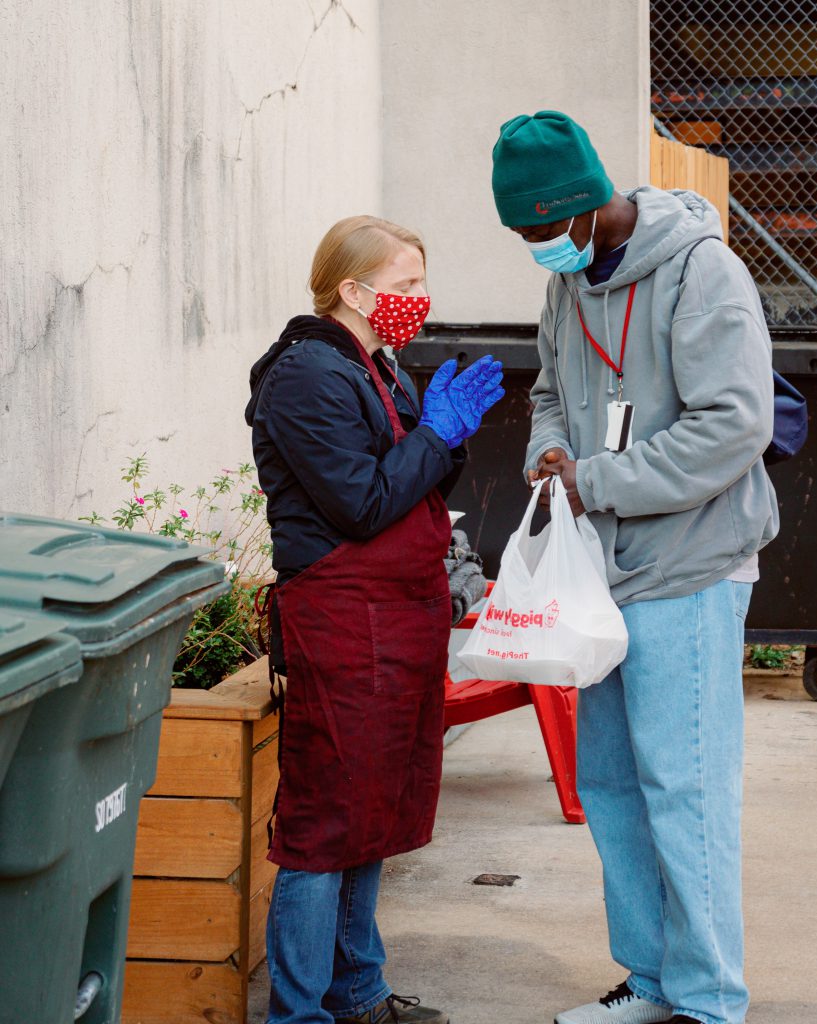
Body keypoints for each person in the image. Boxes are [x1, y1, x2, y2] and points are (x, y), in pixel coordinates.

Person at [490, 111, 779, 1024]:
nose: (537, 250)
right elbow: (546, 392)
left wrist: (597, 480)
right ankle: (652, 981)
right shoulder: (568, 287)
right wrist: (548, 454)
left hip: (690, 568)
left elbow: (734, 424)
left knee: (683, 788)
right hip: (602, 574)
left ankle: (708, 1001)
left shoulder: (704, 272)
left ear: (580, 207)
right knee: (611, 784)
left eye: (541, 230)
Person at [244, 215, 504, 1024]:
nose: (419, 301)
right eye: (405, 286)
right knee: (327, 820)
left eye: (422, 283)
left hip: (394, 618)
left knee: (372, 813)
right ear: (352, 290)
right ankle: (300, 1013)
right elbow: (361, 504)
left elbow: (414, 482)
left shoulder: (376, 367)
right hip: (342, 620)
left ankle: (357, 992)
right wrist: (435, 432)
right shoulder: (306, 376)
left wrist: (445, 437)